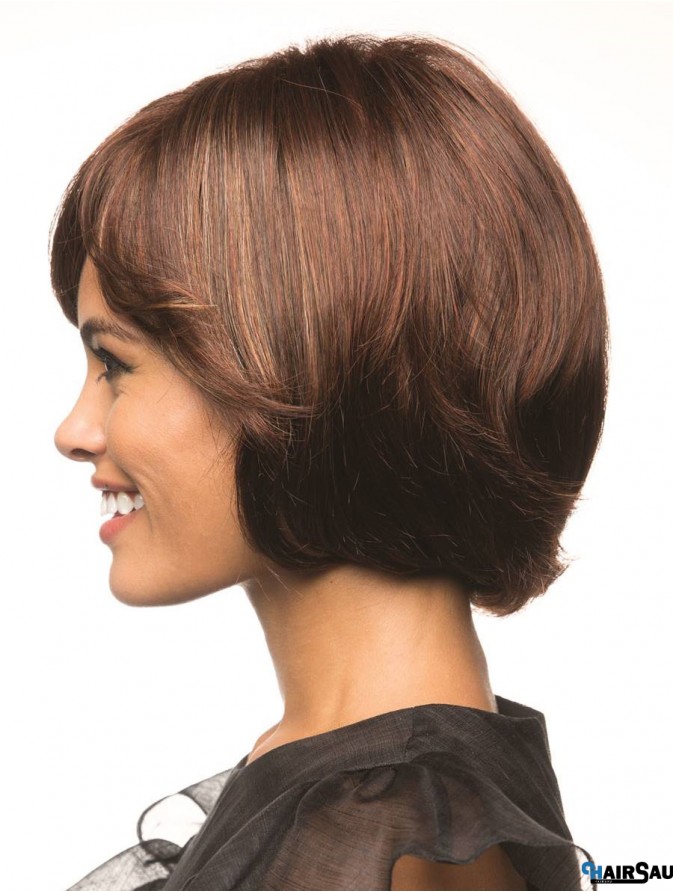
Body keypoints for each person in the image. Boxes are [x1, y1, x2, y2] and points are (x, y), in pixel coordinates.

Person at [51, 33, 607, 892]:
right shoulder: (354, 792)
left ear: (306, 364)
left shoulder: (391, 832)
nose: (75, 430)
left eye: (115, 364)